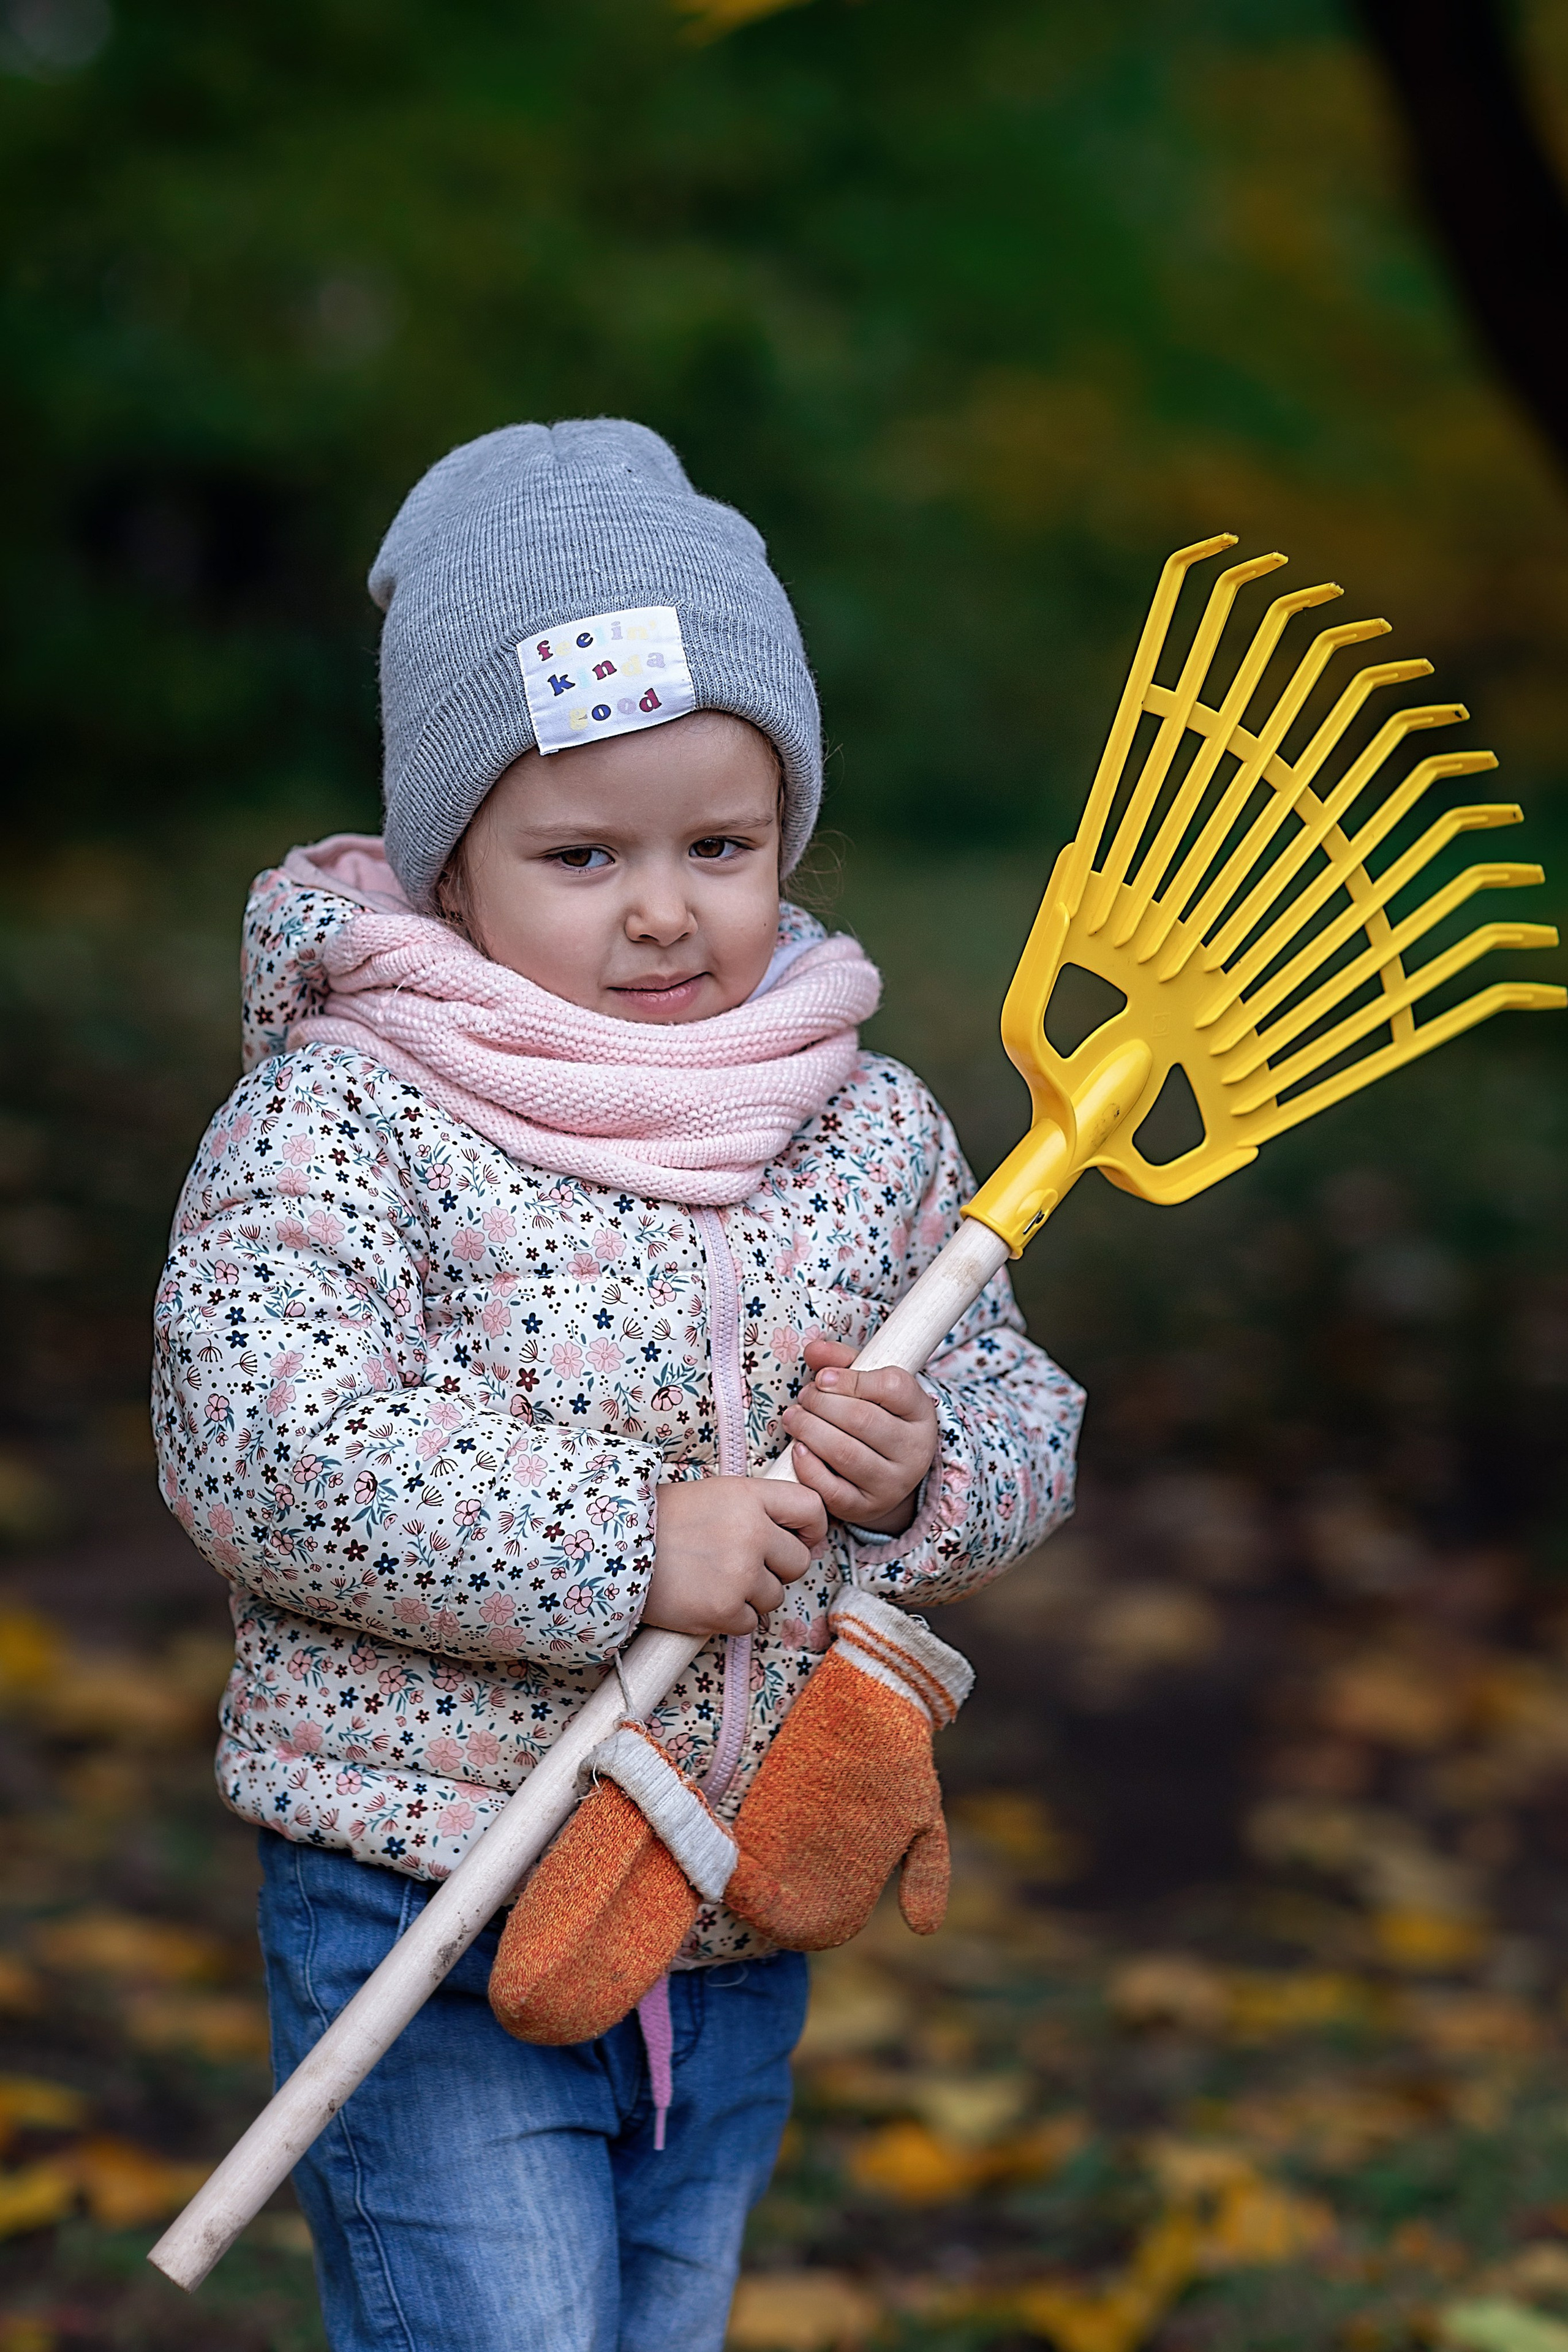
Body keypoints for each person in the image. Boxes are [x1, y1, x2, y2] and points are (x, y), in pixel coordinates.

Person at [152, 418, 1085, 2352]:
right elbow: (262, 1436)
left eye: (719, 848)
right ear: (456, 862)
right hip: (435, 1886)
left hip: (733, 1892)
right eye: (583, 856)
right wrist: (620, 1542)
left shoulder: (857, 1120)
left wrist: (928, 1472)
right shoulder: (354, 1112)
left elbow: (1023, 1410)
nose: (663, 909)